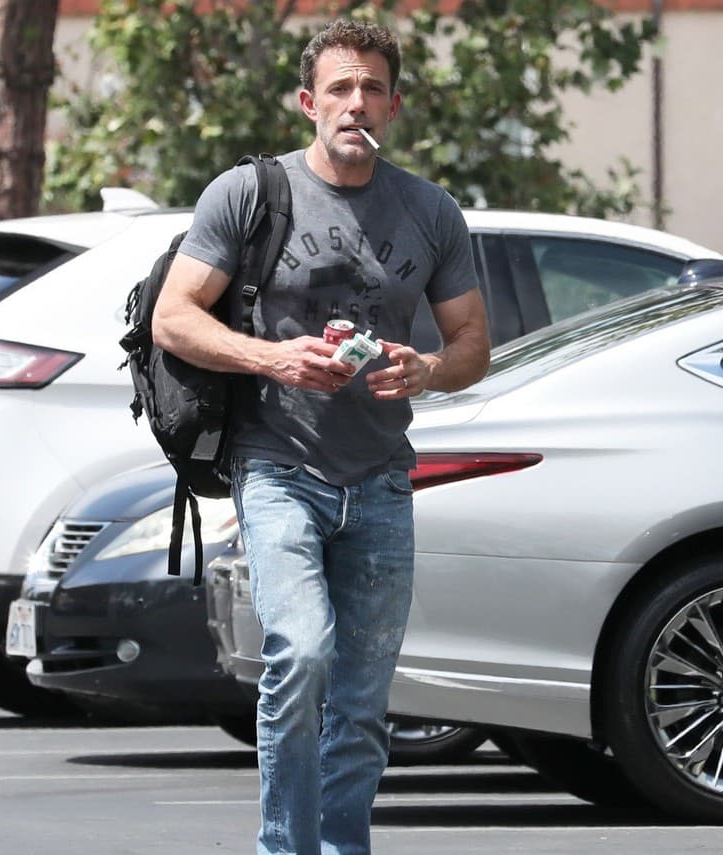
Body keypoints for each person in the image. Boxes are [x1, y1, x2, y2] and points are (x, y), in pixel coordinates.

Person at [152, 18, 490, 855]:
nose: (356, 103)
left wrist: (425, 369)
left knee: (363, 705)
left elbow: (473, 345)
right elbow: (173, 317)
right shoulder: (249, 194)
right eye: (340, 88)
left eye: (373, 88)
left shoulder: (430, 211)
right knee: (300, 654)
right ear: (309, 103)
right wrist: (273, 357)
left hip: (380, 479)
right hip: (279, 467)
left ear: (394, 106)